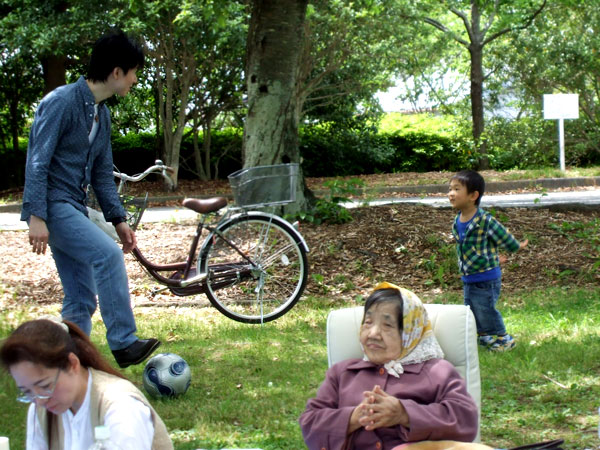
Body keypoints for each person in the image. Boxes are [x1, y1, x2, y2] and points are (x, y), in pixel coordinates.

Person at [20, 30, 160, 368]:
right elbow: (38, 160)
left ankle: (67, 366)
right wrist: (36, 215)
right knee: (108, 256)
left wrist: (119, 219)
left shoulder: (102, 114)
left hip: (74, 208)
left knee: (82, 297)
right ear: (116, 72)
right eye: (133, 72)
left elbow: (101, 174)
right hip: (54, 206)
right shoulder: (61, 102)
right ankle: (124, 342)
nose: (135, 80)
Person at [299, 282, 479, 450]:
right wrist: (355, 416)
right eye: (368, 322)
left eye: (387, 325)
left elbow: (465, 421)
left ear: (410, 332)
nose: (373, 334)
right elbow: (310, 423)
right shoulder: (342, 373)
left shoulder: (437, 371)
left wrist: (404, 414)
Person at [0, 318, 173, 450]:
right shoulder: (41, 410)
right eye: (27, 392)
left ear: (72, 364)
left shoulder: (121, 407)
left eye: (45, 386)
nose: (39, 400)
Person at [448, 170, 528, 352]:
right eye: (450, 189)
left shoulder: (484, 220)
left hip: (486, 277)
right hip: (469, 277)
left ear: (473, 196)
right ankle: (484, 336)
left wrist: (517, 246)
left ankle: (503, 338)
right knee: (472, 309)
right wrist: (492, 257)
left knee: (486, 310)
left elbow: (502, 236)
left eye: (457, 189)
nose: (451, 193)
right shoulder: (457, 220)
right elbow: (472, 247)